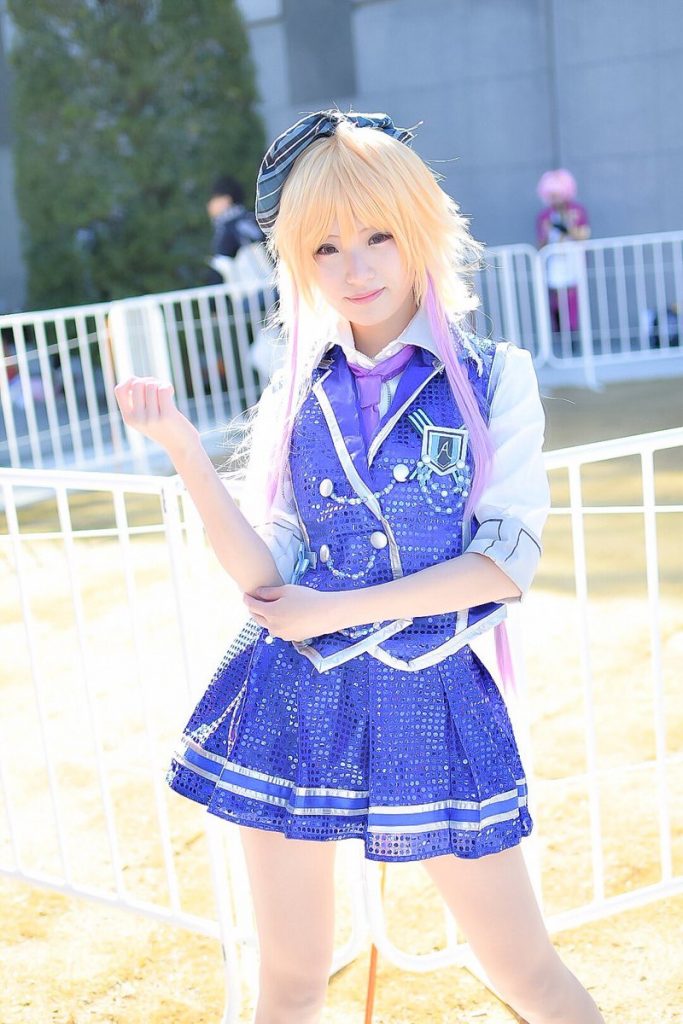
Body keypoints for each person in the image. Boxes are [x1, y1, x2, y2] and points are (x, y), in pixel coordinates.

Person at [114, 110, 605, 1024]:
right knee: (292, 981)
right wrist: (181, 448)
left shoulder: (493, 376)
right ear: (297, 260)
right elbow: (262, 570)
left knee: (526, 973)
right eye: (326, 246)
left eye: (378, 234)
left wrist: (332, 610)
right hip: (293, 700)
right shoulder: (297, 385)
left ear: (420, 227)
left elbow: (503, 563)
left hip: (431, 696)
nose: (356, 267)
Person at [536, 169, 591, 335]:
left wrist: (567, 228)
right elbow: (540, 244)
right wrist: (547, 231)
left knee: (573, 297)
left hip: (573, 259)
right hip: (554, 262)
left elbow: (583, 235)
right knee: (557, 298)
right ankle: (561, 329)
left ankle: (574, 330)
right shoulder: (545, 216)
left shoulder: (577, 211)